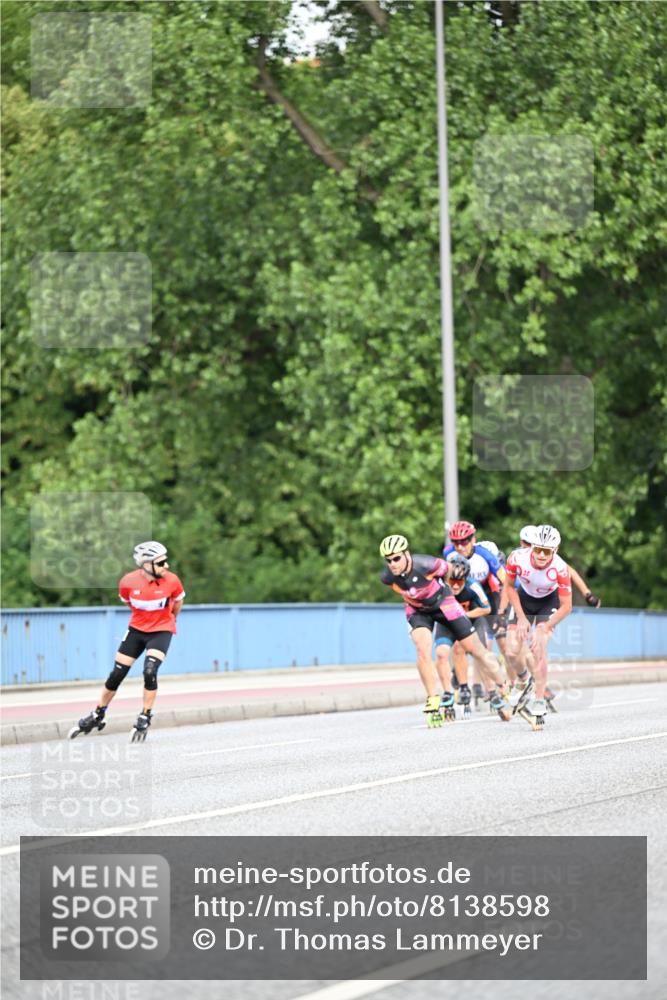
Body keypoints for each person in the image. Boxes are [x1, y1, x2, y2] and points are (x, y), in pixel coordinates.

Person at [379, 535, 512, 725]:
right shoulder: (387, 577)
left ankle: (502, 684)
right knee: (422, 649)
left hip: (444, 604)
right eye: (388, 560)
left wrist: (452, 589)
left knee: (477, 651)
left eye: (396, 558)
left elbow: (451, 571)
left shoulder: (426, 564)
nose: (392, 564)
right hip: (418, 610)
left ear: (407, 554)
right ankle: (433, 697)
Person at [68, 541, 185, 741]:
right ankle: (98, 713)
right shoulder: (128, 582)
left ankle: (145, 715)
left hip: (162, 630)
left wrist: (168, 621)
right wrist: (144, 620)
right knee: (117, 674)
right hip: (136, 630)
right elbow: (129, 602)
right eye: (161, 562)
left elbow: (178, 603)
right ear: (146, 565)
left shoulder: (172, 580)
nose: (167, 565)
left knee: (150, 670)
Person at [502, 525, 572, 728]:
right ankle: (523, 679)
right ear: (531, 547)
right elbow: (508, 587)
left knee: (538, 646)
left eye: (547, 551)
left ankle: (539, 698)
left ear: (555, 550)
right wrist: (522, 618)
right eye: (538, 549)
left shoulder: (560, 568)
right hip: (523, 598)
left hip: (548, 603)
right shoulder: (516, 558)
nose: (541, 555)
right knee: (512, 651)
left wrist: (545, 627)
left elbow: (567, 606)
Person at [437, 553, 493, 717]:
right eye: (451, 581)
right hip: (449, 622)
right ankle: (463, 688)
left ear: (466, 578)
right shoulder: (439, 586)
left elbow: (487, 609)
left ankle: (493, 689)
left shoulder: (473, 585)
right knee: (456, 649)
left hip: (473, 619)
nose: (454, 586)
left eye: (459, 581)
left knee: (481, 655)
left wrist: (463, 615)